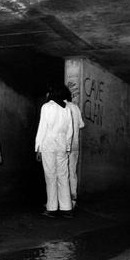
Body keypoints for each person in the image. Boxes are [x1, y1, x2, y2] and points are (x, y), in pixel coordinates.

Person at [35, 85, 74, 218]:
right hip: (62, 145)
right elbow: (70, 130)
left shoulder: (47, 107)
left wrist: (38, 148)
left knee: (50, 176)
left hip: (49, 145)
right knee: (63, 176)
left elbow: (42, 128)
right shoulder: (67, 109)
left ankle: (52, 208)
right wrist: (68, 147)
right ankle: (66, 208)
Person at [63, 86, 85, 208]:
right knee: (72, 173)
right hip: (75, 145)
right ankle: (73, 200)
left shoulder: (61, 107)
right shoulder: (75, 107)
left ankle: (63, 202)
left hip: (64, 145)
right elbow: (81, 125)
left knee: (62, 173)